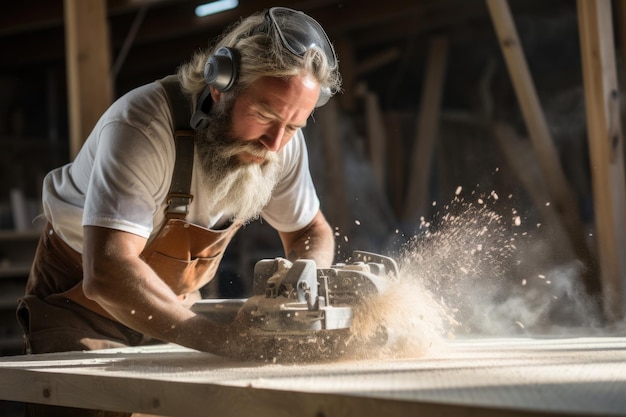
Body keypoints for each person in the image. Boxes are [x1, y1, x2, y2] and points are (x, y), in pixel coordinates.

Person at [17, 6, 340, 416]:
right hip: (82, 306)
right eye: (263, 115)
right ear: (220, 83)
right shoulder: (142, 126)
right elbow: (108, 270)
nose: (276, 142)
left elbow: (312, 232)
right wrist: (225, 342)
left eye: (295, 125)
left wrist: (301, 281)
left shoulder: (279, 143)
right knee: (89, 404)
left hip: (171, 306)